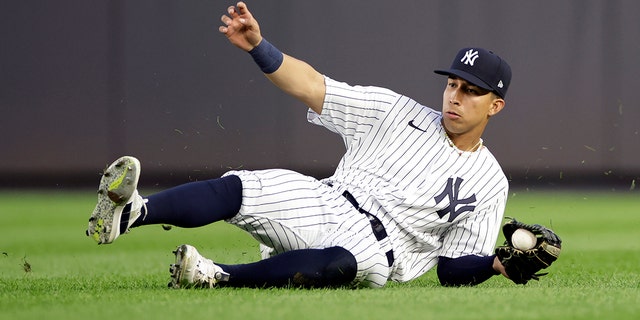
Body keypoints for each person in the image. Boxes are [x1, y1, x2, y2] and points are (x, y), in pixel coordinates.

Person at [87, 1, 513, 289]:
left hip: (376, 249)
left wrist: (497, 264)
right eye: (453, 84)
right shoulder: (395, 110)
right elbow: (312, 85)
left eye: (471, 91)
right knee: (240, 188)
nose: (455, 95)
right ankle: (132, 213)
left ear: (495, 106)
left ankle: (216, 275)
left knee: (341, 262)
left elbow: (454, 268)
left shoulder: (490, 181)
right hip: (325, 200)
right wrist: (258, 46)